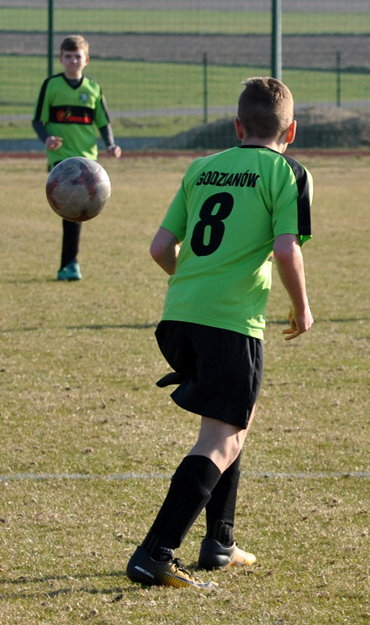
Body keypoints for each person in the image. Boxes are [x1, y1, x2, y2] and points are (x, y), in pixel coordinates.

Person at [126, 77, 313, 590]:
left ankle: (219, 542)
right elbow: (286, 248)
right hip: (230, 322)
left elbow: (161, 248)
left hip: (179, 316)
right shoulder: (288, 172)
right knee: (221, 437)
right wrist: (302, 308)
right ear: (291, 131)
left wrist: (196, 285)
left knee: (233, 421)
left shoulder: (201, 167)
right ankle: (155, 553)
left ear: (237, 126)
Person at [32, 34, 122, 281]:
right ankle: (70, 265)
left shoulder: (93, 88)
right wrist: (47, 139)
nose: (73, 61)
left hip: (87, 160)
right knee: (73, 206)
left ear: (86, 60)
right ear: (61, 59)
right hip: (61, 158)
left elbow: (103, 122)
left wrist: (111, 144)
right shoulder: (51, 86)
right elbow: (37, 120)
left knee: (76, 210)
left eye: (77, 56)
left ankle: (68, 265)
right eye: (68, 56)